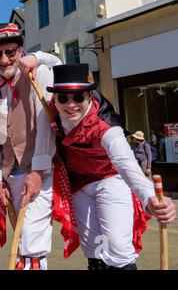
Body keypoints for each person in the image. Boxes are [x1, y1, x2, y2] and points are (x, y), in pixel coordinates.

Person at [47, 63, 176, 270]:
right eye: (63, 98)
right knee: (93, 247)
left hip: (110, 178)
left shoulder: (106, 127)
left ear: (89, 96)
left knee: (117, 246)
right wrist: (35, 57)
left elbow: (126, 163)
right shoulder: (51, 108)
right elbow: (46, 62)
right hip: (78, 183)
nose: (70, 105)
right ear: (55, 99)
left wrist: (149, 198)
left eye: (78, 97)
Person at [0, 23, 58, 270]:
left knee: (33, 245)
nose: (4, 59)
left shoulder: (38, 73)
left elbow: (46, 126)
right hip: (9, 173)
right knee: (22, 238)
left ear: (20, 50)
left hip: (38, 170)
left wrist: (38, 172)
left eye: (10, 52)